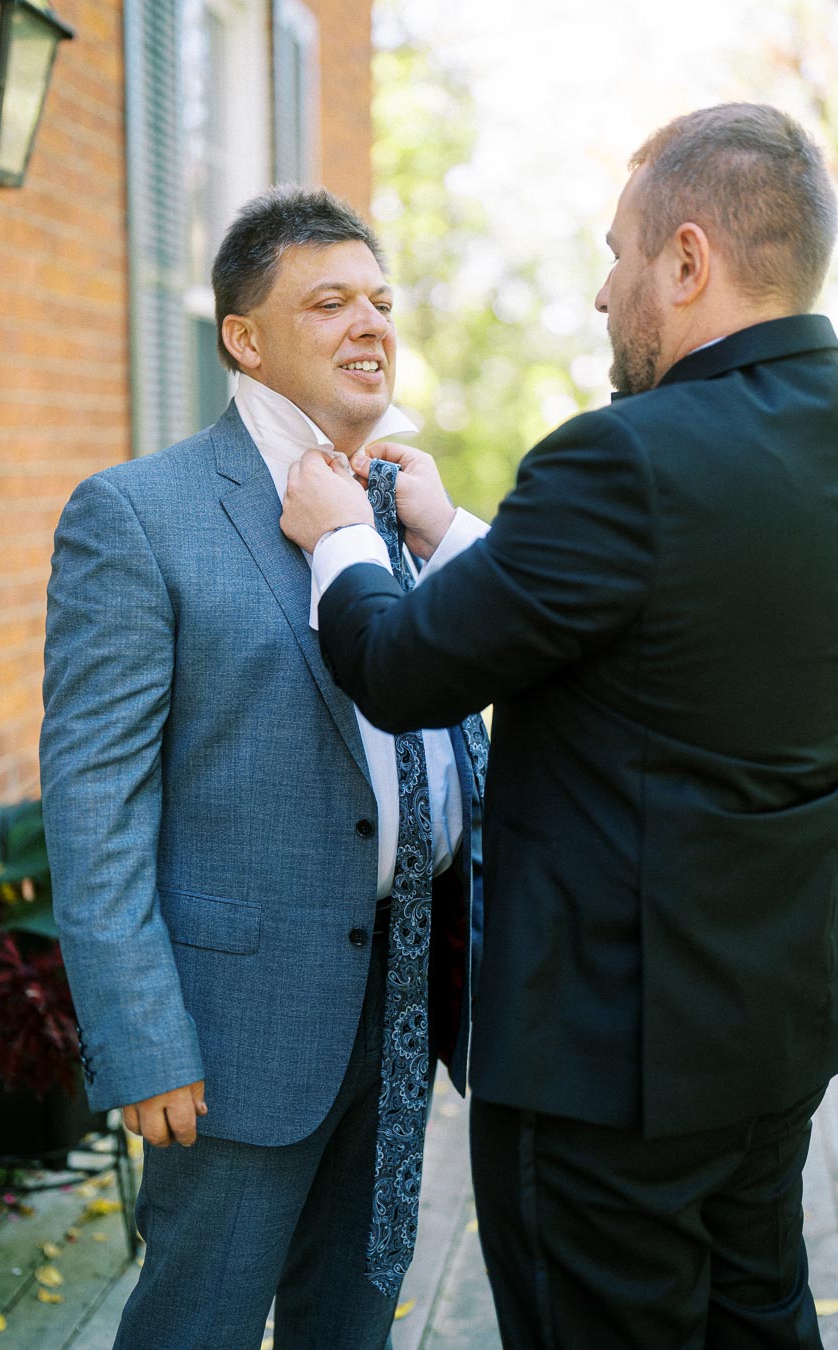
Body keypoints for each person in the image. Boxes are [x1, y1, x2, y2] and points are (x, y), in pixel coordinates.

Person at [279, 103, 838, 1349]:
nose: (602, 294)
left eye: (619, 254)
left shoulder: (623, 458)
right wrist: (456, 537)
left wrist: (347, 540)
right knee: (762, 1321)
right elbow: (673, 624)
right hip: (772, 1037)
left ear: (687, 261)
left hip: (605, 1071)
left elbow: (406, 667)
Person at [39, 185, 484, 1350]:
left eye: (382, 301)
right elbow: (96, 810)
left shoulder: (401, 504)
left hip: (402, 1008)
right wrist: (141, 1040)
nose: (370, 324)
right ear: (244, 337)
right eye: (329, 301)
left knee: (352, 1327)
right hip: (233, 1035)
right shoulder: (138, 516)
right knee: (197, 1328)